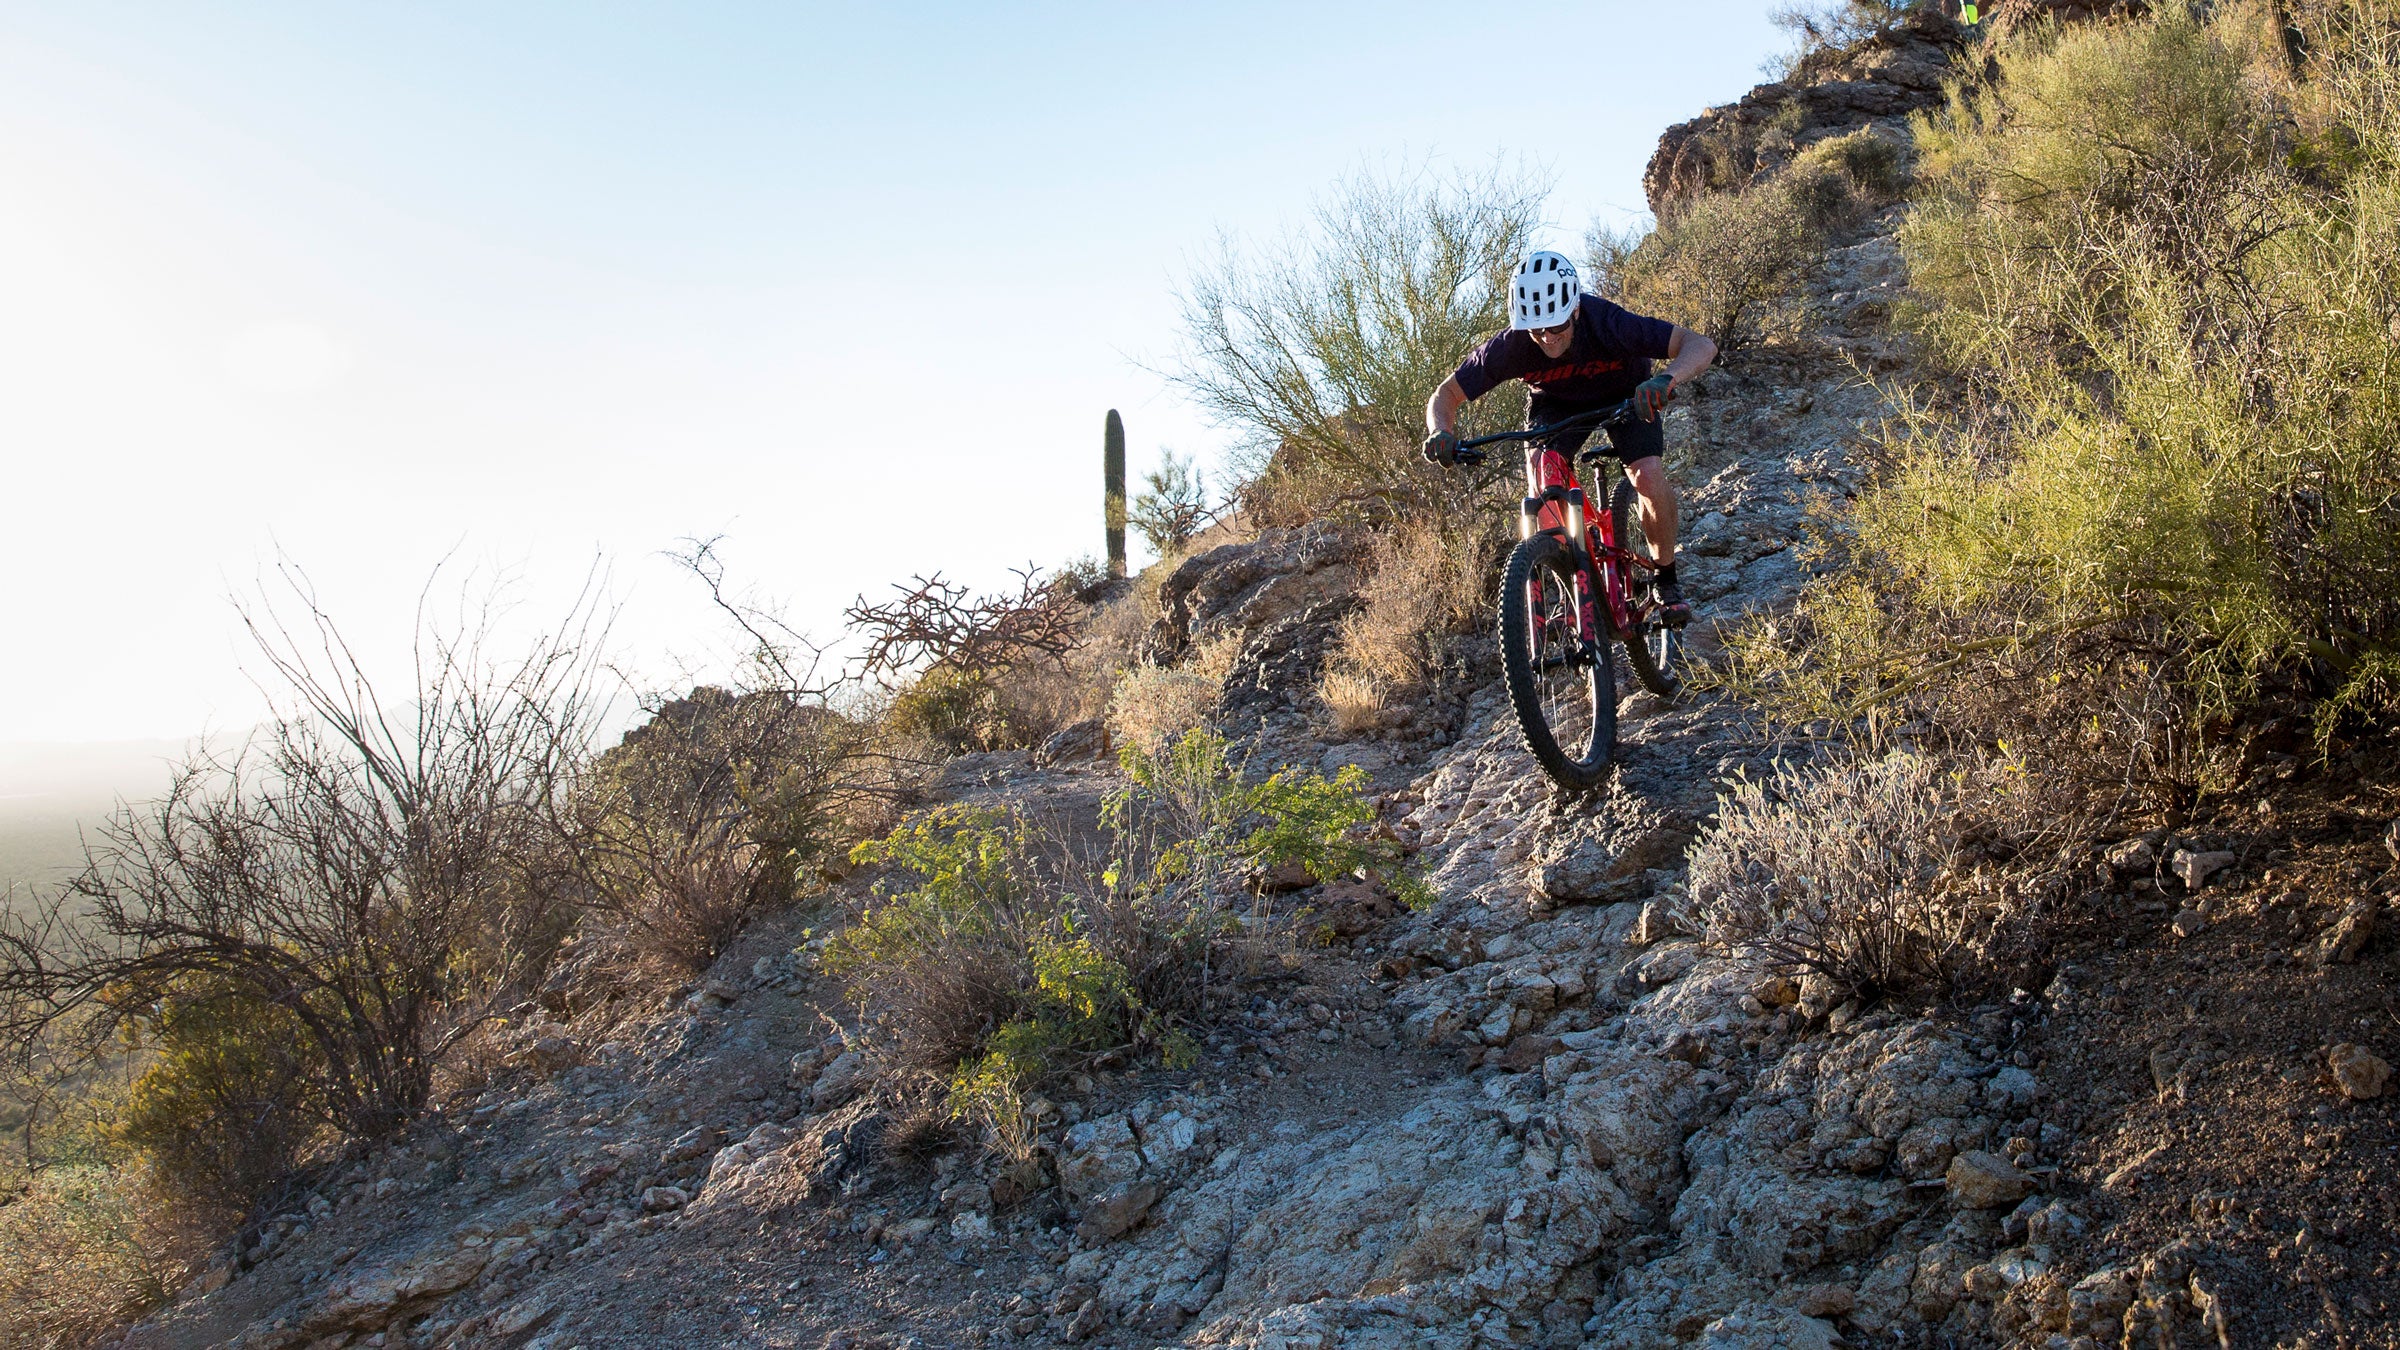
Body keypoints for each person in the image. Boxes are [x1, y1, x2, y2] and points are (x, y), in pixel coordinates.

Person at [1421, 250, 1717, 623]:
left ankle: (1665, 576)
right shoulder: (1513, 345)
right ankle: (1569, 584)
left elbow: (1700, 345)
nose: (1546, 338)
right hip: (1556, 403)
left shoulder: (1608, 323)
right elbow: (1445, 395)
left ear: (1575, 310)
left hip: (1626, 395)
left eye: (1556, 326)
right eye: (1535, 329)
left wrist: (1665, 379)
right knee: (1542, 483)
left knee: (1646, 475)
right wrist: (1440, 431)